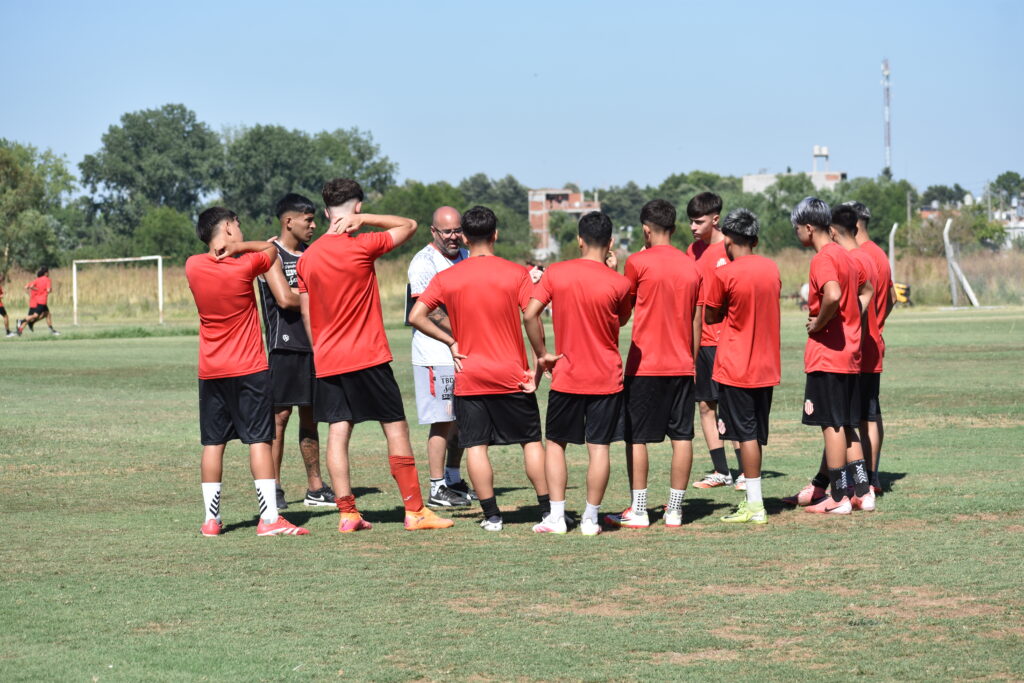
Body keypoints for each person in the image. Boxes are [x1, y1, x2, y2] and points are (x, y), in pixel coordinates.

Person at [295, 178, 453, 533]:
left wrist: (321, 352)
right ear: (357, 208)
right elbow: (409, 225)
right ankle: (415, 511)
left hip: (329, 359)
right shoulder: (363, 245)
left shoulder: (307, 259)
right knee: (395, 427)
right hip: (368, 355)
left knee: (338, 432)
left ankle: (347, 514)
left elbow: (306, 313)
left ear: (325, 213)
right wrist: (365, 221)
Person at [409, 205, 549, 531]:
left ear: (465, 238)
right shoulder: (516, 273)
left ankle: (492, 516)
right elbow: (532, 318)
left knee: (475, 446)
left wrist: (450, 342)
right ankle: (547, 511)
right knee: (530, 441)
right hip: (512, 374)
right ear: (495, 234)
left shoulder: (447, 277)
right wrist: (539, 362)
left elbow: (416, 316)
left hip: (470, 375)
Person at [185, 207, 309, 536]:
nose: (240, 232)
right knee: (260, 441)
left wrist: (233, 248)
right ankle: (269, 518)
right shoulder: (245, 265)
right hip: (248, 368)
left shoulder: (192, 265)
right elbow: (271, 250)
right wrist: (240, 248)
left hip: (210, 370)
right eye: (237, 226)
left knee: (213, 443)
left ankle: (211, 520)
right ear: (227, 228)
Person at [525, 211, 632, 536]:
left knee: (556, 444)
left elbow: (530, 314)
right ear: (610, 243)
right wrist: (612, 272)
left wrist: (542, 354)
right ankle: (590, 518)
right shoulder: (620, 283)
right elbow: (622, 319)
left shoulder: (556, 273)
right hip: (606, 377)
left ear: (579, 240)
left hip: (567, 374)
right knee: (599, 448)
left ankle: (557, 516)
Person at [603, 199, 701, 530]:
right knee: (682, 436)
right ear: (673, 227)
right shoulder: (691, 266)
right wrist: (692, 360)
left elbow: (622, 313)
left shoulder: (637, 262)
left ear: (646, 229)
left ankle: (639, 509)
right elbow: (696, 320)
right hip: (682, 364)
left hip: (645, 365)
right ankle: (675, 510)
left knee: (637, 438)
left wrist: (612, 272)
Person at [783, 205, 879, 510]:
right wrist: (853, 316)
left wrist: (820, 322)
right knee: (847, 425)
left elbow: (833, 294)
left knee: (832, 425)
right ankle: (862, 492)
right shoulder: (847, 256)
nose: (796, 234)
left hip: (828, 355)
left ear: (809, 228)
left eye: (797, 228)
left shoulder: (823, 258)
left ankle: (837, 498)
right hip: (850, 354)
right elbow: (868, 289)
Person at [256, 193, 335, 511]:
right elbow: (286, 299)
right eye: (308, 220)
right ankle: (273, 487)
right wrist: (320, 296)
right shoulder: (269, 253)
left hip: (315, 345)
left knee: (311, 417)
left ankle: (315, 487)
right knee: (279, 417)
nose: (314, 226)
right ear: (289, 221)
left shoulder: (312, 255)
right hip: (284, 346)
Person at [702, 209, 781, 525]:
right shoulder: (771, 269)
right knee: (755, 434)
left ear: (727, 240)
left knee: (745, 435)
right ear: (755, 240)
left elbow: (710, 316)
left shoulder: (724, 274)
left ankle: (755, 504)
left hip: (737, 365)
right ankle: (754, 500)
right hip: (766, 364)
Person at [407, 205, 474, 508]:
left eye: (458, 230)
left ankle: (453, 478)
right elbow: (430, 311)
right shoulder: (423, 262)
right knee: (442, 420)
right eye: (447, 231)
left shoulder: (466, 256)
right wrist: (464, 332)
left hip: (460, 351)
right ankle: (436, 487)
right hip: (434, 353)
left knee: (460, 418)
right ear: (433, 231)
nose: (453, 236)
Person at [686, 193, 741, 489]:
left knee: (732, 407)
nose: (693, 227)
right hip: (701, 341)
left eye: (699, 221)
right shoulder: (692, 250)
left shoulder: (730, 247)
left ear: (716, 219)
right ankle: (722, 471)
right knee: (706, 406)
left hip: (727, 341)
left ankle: (745, 472)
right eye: (690, 222)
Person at [847, 201, 894, 494]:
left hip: (860, 346)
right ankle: (872, 476)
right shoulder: (880, 254)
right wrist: (879, 321)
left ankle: (864, 477)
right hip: (874, 341)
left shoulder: (859, 255)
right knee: (871, 413)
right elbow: (892, 298)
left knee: (856, 418)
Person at [17, 266, 59, 336]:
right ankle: (21, 321)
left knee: (47, 314)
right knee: (34, 316)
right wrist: (47, 291)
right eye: (48, 272)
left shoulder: (37, 280)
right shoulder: (47, 279)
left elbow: (27, 287)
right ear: (46, 273)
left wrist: (35, 291)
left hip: (35, 301)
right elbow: (48, 290)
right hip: (41, 301)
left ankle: (51, 330)